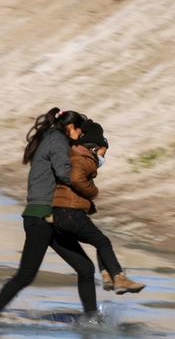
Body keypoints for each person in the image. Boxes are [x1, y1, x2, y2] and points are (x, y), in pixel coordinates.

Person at [0, 107, 100, 326]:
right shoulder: (57, 141)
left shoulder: (53, 138)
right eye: (79, 132)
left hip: (50, 216)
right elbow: (64, 173)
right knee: (26, 274)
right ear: (71, 127)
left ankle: (92, 321)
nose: (80, 136)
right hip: (41, 216)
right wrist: (89, 168)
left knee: (85, 268)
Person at [51, 119, 145, 295]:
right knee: (103, 242)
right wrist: (92, 191)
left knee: (99, 241)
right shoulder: (83, 158)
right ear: (95, 147)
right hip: (69, 212)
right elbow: (76, 179)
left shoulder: (72, 154)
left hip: (60, 214)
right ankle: (119, 278)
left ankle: (107, 276)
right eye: (104, 151)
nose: (103, 157)